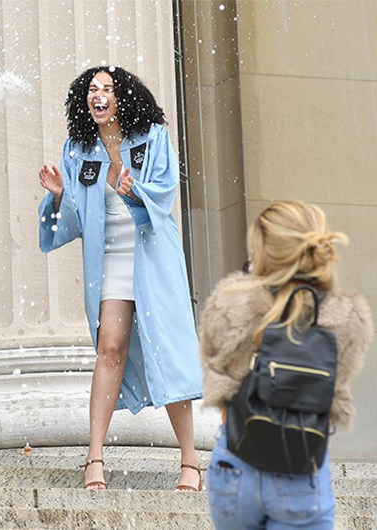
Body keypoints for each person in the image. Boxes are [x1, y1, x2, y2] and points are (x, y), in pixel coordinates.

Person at [37, 66, 203, 491]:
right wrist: (58, 194)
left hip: (151, 254)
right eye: (92, 89)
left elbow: (165, 192)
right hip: (111, 258)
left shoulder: (152, 137)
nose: (99, 95)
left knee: (163, 349)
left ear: (122, 97)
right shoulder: (78, 149)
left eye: (107, 89)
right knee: (110, 348)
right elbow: (74, 215)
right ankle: (94, 458)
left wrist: (135, 192)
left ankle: (190, 462)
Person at [200, 201, 372, 528]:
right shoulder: (346, 317)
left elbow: (218, 388)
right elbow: (333, 389)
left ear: (264, 252)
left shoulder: (229, 302)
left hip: (237, 462)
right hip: (300, 462)